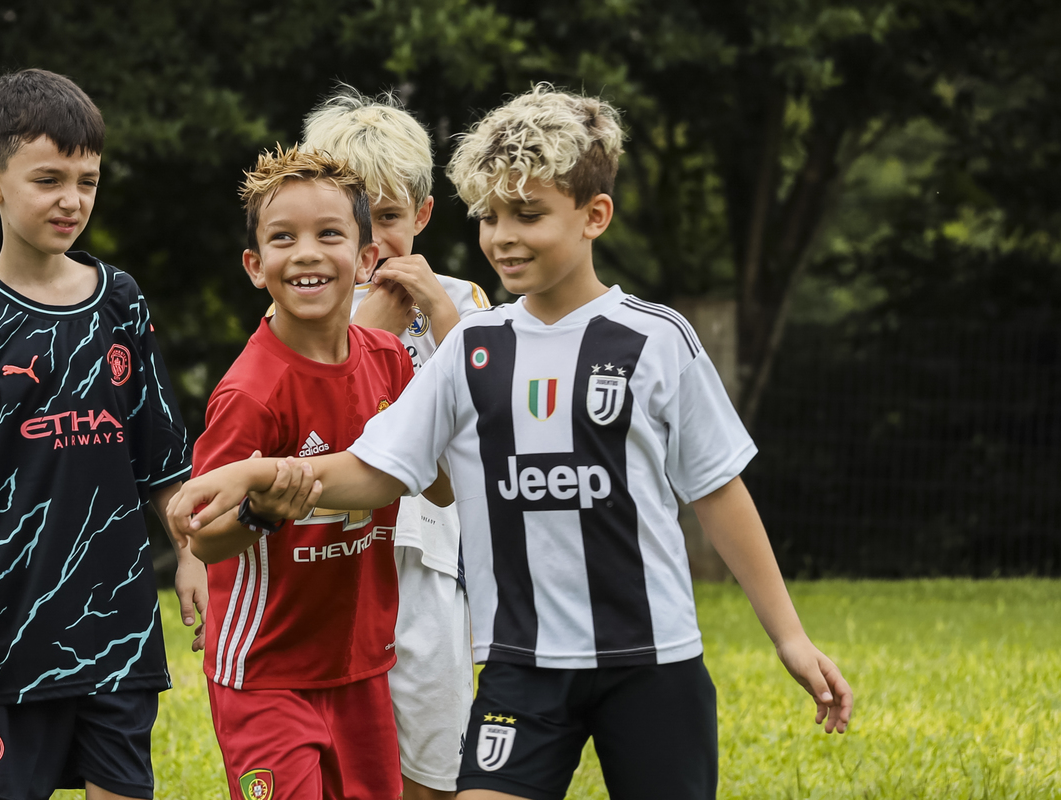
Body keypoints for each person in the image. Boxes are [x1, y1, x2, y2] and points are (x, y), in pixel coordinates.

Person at [168, 85, 853, 800]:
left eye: (527, 215)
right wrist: (255, 477)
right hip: (520, 665)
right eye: (490, 217)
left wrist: (790, 637)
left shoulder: (657, 339)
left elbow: (716, 491)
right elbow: (377, 471)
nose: (503, 237)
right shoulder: (473, 348)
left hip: (653, 658)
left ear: (595, 216)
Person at [0, 68, 206, 800]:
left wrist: (192, 555)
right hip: (7, 632)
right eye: (48, 180)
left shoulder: (121, 302)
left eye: (87, 181)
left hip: (118, 628)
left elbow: (162, 456)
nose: (72, 200)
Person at [186, 145, 448, 800]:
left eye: (329, 234)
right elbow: (204, 537)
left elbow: (441, 487)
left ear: (365, 259)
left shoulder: (390, 360)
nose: (306, 253)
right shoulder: (249, 392)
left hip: (361, 665)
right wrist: (260, 513)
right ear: (255, 266)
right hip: (267, 672)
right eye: (283, 238)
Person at [301, 86, 491, 800]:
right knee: (338, 748)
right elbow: (306, 418)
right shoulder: (308, 298)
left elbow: (489, 419)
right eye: (354, 221)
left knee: (433, 753)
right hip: (333, 547)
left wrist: (438, 311)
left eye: (388, 217)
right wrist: (369, 332)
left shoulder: (462, 301)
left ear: (423, 214)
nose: (373, 242)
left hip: (429, 550)